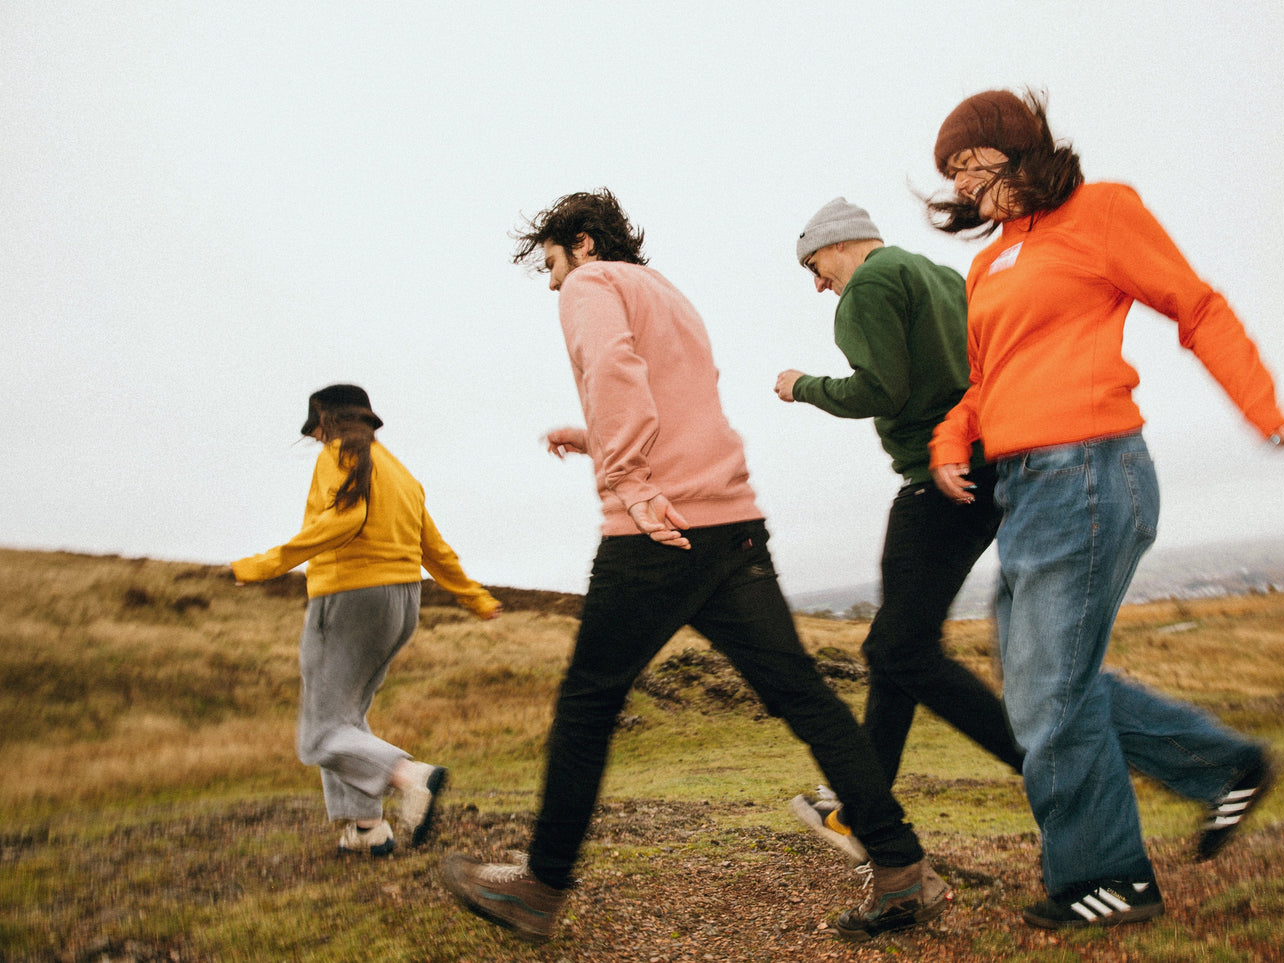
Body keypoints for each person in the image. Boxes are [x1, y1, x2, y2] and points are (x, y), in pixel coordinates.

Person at [439, 189, 950, 945]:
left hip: (660, 528)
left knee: (587, 701)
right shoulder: (668, 294)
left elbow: (614, 369)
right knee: (805, 697)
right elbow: (677, 402)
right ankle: (902, 868)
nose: (551, 283)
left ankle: (539, 889)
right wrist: (595, 439)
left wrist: (629, 481)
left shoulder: (591, 284)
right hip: (731, 521)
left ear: (581, 244)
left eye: (549, 263)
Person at [924, 89, 1284, 929]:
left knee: (1048, 693)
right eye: (950, 173)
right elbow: (987, 381)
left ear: (1013, 149)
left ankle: (1107, 877)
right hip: (1025, 486)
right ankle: (1222, 764)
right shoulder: (988, 263)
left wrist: (1260, 406)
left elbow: (1192, 304)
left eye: (969, 163)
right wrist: (951, 439)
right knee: (1040, 681)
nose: (961, 184)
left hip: (1089, 470)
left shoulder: (1101, 212)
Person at [774, 198, 1023, 865]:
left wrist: (803, 386)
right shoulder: (941, 277)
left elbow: (879, 390)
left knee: (902, 651)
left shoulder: (870, 286)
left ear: (841, 244)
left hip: (933, 483)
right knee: (895, 645)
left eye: (815, 264)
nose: (818, 282)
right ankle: (858, 805)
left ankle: (1037, 766)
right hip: (986, 473)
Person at [233, 384, 501, 856]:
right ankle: (366, 829)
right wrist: (475, 599)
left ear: (326, 422)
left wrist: (262, 566)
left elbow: (342, 522)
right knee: (345, 720)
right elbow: (434, 550)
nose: (315, 439)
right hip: (402, 603)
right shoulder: (400, 473)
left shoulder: (338, 455)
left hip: (349, 597)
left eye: (316, 429)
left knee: (319, 733)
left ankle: (411, 777)